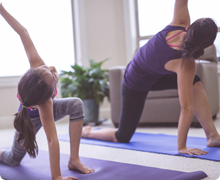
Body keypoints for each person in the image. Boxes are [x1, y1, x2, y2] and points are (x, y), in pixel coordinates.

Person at [82, 0, 220, 156]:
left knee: (194, 81)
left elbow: (187, 107)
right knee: (123, 136)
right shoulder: (185, 63)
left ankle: (212, 136)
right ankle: (87, 133)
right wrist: (182, 147)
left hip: (157, 76)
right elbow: (186, 108)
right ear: (208, 46)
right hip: (135, 83)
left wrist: (182, 146)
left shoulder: (181, 26)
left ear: (189, 28)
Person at [0, 3, 94, 180]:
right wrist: (57, 177)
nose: (51, 68)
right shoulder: (45, 104)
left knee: (75, 103)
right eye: (52, 75)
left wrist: (2, 10)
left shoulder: (36, 65)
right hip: (27, 120)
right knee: (13, 160)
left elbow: (23, 32)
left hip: (39, 105)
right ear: (49, 93)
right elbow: (52, 140)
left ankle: (74, 159)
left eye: (46, 68)